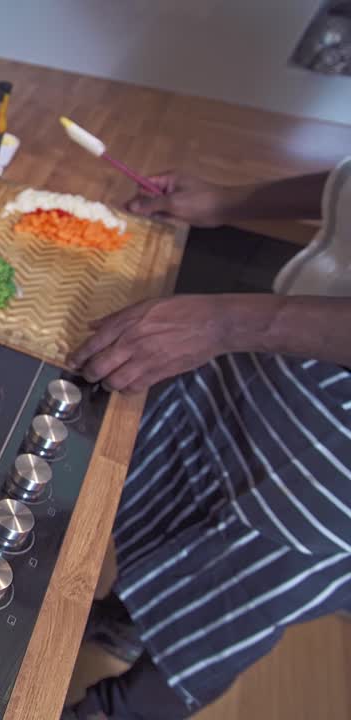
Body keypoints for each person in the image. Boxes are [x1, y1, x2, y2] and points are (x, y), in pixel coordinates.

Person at [62, 160, 351, 719]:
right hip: (290, 350)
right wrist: (229, 201)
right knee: (183, 494)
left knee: (243, 586)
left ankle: (116, 710)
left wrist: (228, 323)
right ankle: (126, 620)